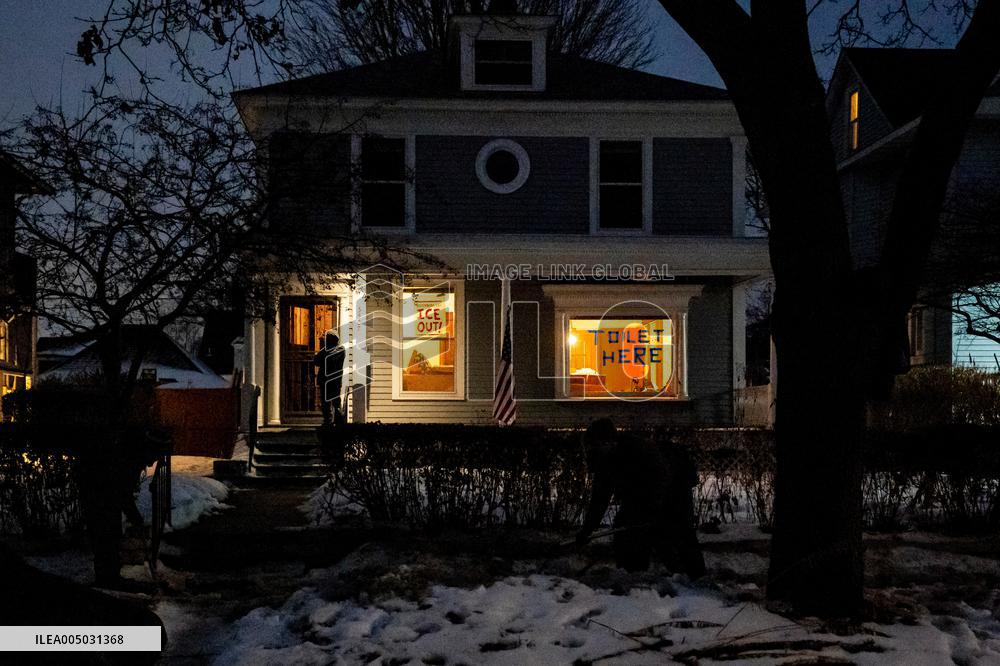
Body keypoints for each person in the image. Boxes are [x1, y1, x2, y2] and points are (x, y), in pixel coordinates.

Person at [576, 418, 705, 577]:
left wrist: (652, 510)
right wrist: (587, 530)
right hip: (640, 497)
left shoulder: (638, 450)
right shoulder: (603, 460)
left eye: (595, 446)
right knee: (627, 532)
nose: (591, 451)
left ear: (608, 442)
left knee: (675, 532)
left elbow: (661, 478)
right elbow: (599, 498)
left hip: (674, 488)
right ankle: (632, 572)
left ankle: (695, 576)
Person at [313, 331, 346, 426]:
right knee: (325, 403)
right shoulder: (325, 350)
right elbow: (316, 361)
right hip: (324, 381)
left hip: (334, 381)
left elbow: (329, 358)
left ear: (333, 340)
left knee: (336, 403)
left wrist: (324, 350)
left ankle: (339, 422)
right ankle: (328, 422)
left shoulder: (340, 349)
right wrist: (324, 349)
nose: (326, 340)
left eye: (327, 339)